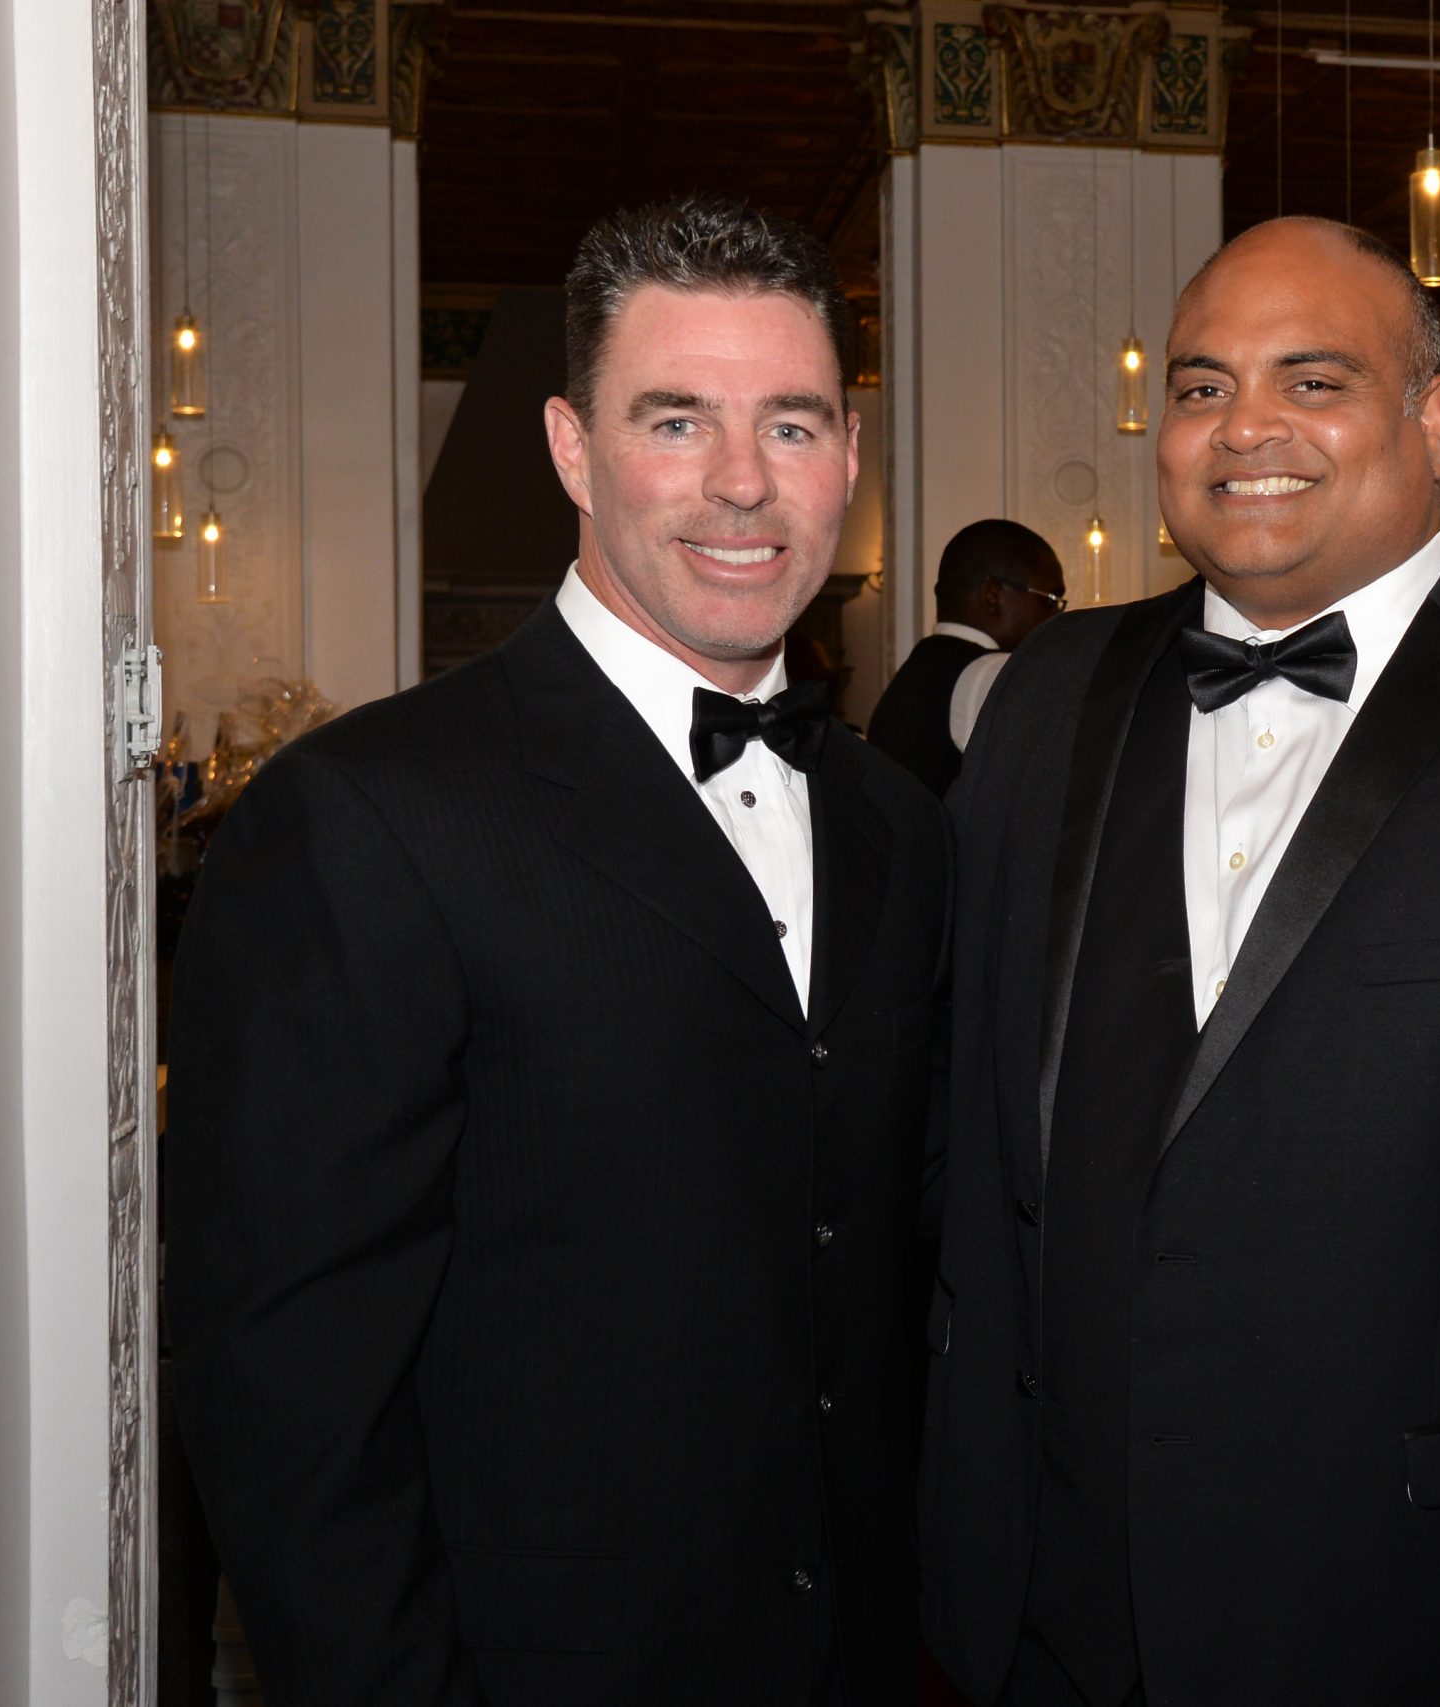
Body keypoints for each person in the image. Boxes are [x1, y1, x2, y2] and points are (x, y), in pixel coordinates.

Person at [920, 215, 1440, 1707]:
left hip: (1418, 1621)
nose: (1245, 427)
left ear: (1432, 421)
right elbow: (970, 1157)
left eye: (1312, 381)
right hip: (1052, 1619)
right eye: (1201, 387)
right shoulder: (1047, 696)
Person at [165, 196, 946, 1706]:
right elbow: (287, 1388)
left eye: (790, 425)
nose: (742, 482)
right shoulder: (366, 816)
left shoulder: (900, 829)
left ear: (850, 456)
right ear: (572, 449)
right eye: (676, 420)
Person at [868, 518, 1068, 795]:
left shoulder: (918, 668)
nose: (1057, 616)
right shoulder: (995, 673)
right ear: (992, 596)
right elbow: (1051, 788)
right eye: (1050, 600)